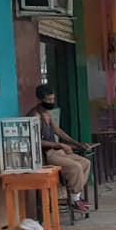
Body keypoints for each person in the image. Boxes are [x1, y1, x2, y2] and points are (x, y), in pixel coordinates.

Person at [27, 84, 93, 212]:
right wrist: (59, 144)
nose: (52, 102)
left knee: (85, 163)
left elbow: (58, 131)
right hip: (47, 154)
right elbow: (35, 141)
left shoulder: (47, 113)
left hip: (57, 151)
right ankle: (75, 200)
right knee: (76, 167)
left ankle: (75, 196)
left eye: (53, 99)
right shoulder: (35, 115)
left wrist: (77, 144)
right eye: (48, 100)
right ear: (40, 99)